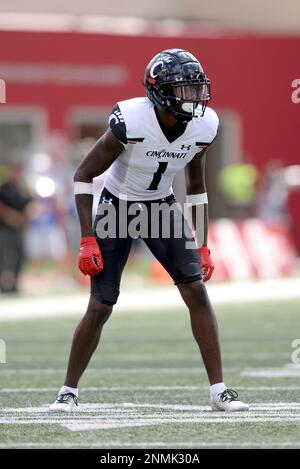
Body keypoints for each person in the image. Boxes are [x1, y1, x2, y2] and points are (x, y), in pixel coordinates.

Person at [50, 49, 249, 412]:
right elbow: (83, 175)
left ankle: (219, 389)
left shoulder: (205, 126)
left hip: (160, 206)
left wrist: (202, 245)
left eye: (195, 89)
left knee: (196, 290)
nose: (194, 98)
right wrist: (86, 238)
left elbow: (196, 186)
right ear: (159, 92)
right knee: (101, 303)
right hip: (116, 206)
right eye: (183, 90)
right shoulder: (131, 120)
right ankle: (68, 390)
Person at [0, 164, 32, 293]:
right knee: (3, 257)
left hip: (19, 229)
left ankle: (15, 284)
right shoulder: (4, 188)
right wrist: (11, 217)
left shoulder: (22, 188)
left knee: (20, 256)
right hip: (5, 228)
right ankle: (3, 285)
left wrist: (23, 218)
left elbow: (29, 205)